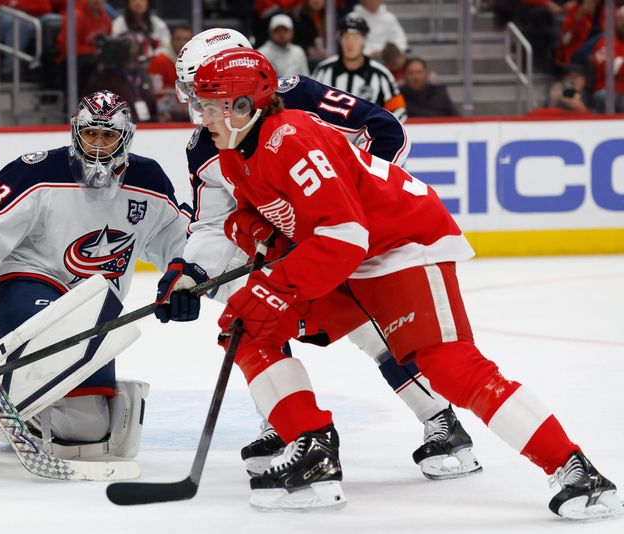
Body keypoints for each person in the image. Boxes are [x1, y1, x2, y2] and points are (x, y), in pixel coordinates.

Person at [190, 46, 624, 519]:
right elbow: (260, 218)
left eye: (210, 106)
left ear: (243, 106)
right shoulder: (236, 154)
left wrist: (275, 285)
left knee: (449, 365)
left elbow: (343, 235)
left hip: (403, 244)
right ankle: (312, 449)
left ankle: (577, 470)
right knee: (247, 326)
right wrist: (251, 234)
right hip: (352, 256)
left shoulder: (292, 137)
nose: (202, 117)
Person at [156, 28, 482, 482]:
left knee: (377, 330)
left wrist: (349, 213)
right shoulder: (202, 146)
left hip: (345, 237)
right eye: (192, 91)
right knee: (255, 316)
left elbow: (384, 131)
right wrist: (188, 271)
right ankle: (286, 425)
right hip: (290, 248)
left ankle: (441, 422)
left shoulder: (297, 97)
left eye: (203, 88)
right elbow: (214, 222)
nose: (197, 103)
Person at [0, 91, 190, 474]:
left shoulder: (148, 180)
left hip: (91, 309)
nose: (98, 145)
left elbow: (181, 239)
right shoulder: (37, 171)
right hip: (26, 282)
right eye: (91, 134)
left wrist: (187, 276)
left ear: (126, 138)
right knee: (56, 333)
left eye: (109, 137)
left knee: (86, 431)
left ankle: (15, 409)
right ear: (76, 132)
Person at [312, 15, 406, 121]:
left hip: (367, 136)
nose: (350, 43)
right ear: (340, 40)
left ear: (364, 40)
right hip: (328, 135)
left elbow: (399, 110)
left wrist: (379, 130)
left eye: (355, 37)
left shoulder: (381, 74)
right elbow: (307, 103)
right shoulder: (323, 70)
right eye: (346, 37)